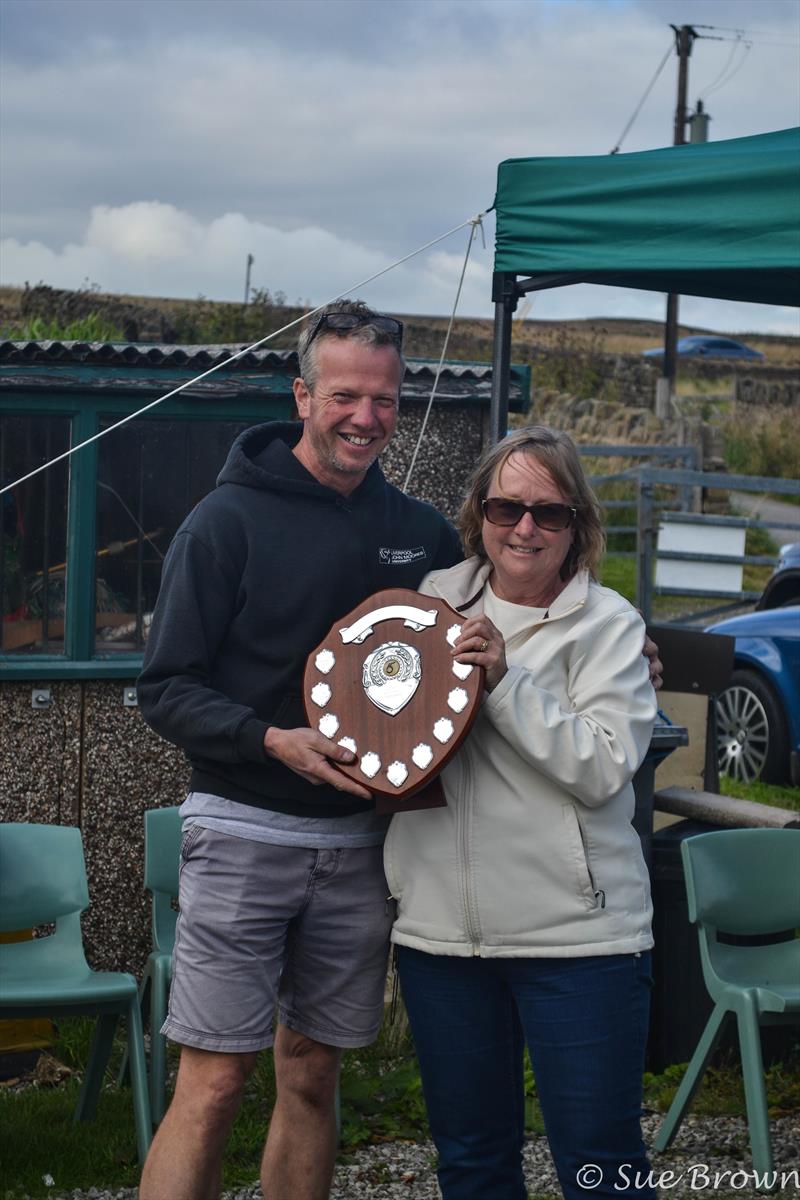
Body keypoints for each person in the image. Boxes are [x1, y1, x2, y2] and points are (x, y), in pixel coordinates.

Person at [136, 299, 462, 1200]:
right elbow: (163, 690)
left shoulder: (420, 532)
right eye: (346, 396)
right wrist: (270, 739)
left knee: (313, 1073)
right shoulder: (224, 522)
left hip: (360, 848)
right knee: (212, 1084)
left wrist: (616, 636)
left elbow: (499, 607)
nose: (366, 418)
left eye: (386, 400)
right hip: (242, 830)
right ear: (303, 395)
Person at [384, 427, 659, 1200]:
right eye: (507, 506)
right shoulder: (430, 601)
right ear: (479, 511)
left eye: (549, 512)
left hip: (578, 942)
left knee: (601, 1167)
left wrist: (505, 682)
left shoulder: (610, 625)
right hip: (443, 936)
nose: (525, 528)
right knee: (471, 1165)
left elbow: (604, 769)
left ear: (579, 525)